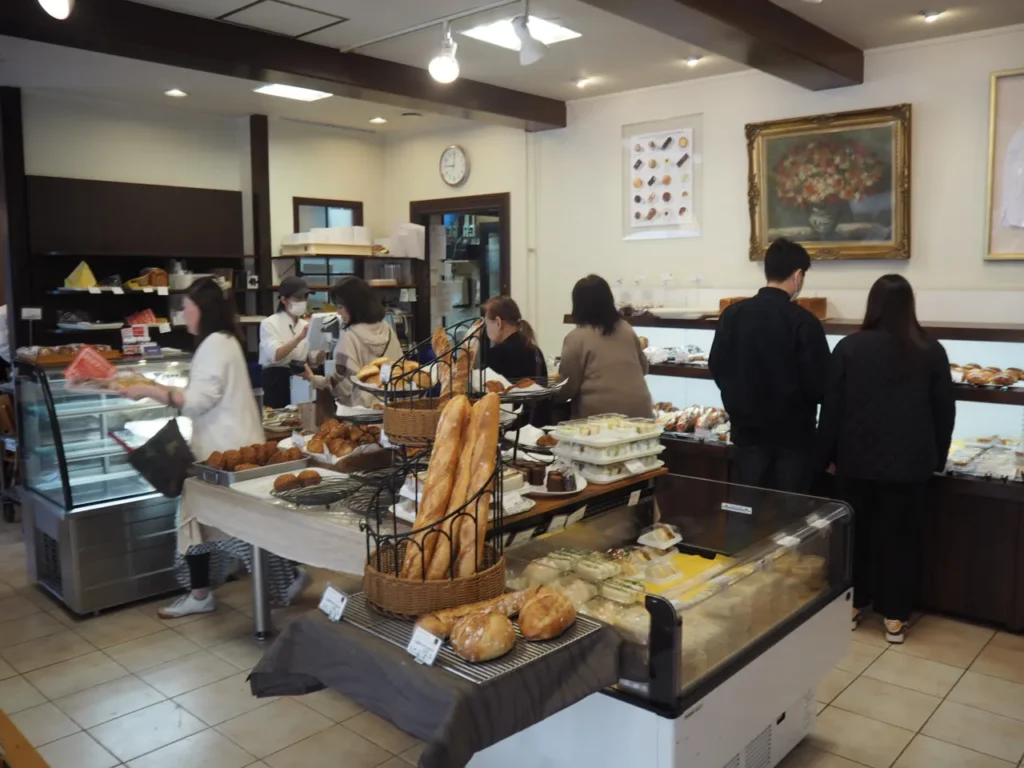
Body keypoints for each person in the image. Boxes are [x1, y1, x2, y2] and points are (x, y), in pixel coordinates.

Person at [122, 278, 308, 618]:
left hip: (224, 457)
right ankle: (205, 592)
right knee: (205, 521)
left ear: (202, 310)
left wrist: (148, 391)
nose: (183, 314)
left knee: (227, 525)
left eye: (187, 307)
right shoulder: (223, 340)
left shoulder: (214, 345)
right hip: (225, 452)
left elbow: (197, 401)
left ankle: (279, 580)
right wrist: (149, 383)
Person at [817, 275, 955, 643]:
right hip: (910, 465)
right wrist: (937, 458)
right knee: (901, 540)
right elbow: (944, 411)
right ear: (910, 306)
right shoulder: (931, 350)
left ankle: (853, 605)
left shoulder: (849, 347)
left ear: (872, 304)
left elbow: (831, 410)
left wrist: (826, 456)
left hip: (855, 461)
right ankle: (895, 617)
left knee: (856, 538)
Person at [709, 238, 829, 493]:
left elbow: (717, 366)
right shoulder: (804, 322)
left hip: (746, 434)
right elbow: (819, 384)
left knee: (748, 508)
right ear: (797, 275)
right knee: (790, 511)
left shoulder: (732, 315)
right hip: (794, 439)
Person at [558, 275, 653, 419]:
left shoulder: (576, 338)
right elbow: (644, 368)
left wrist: (549, 397)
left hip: (599, 418)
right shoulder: (626, 328)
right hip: (641, 413)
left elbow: (568, 387)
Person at [305, 276, 402, 409]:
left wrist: (313, 379)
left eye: (340, 307)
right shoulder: (388, 330)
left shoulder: (349, 338)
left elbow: (343, 385)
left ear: (354, 307)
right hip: (392, 406)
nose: (338, 312)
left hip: (360, 411)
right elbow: (400, 368)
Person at [483, 296, 549, 427]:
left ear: (498, 322)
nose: (486, 330)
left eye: (486, 324)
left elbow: (488, 400)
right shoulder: (535, 351)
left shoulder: (496, 354)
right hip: (536, 428)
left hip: (509, 430)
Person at [259, 276, 323, 408]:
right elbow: (276, 355)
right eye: (298, 298)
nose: (303, 301)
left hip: (301, 377)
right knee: (279, 418)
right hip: (276, 380)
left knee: (302, 416)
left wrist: (324, 343)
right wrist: (299, 337)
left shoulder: (305, 324)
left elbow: (314, 360)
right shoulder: (269, 323)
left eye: (305, 297)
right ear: (284, 300)